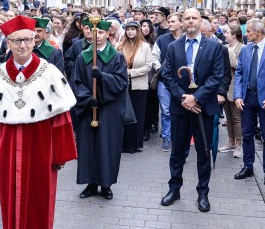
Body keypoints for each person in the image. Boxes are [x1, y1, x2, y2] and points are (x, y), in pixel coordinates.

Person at [0, 15, 77, 229]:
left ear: (35, 40)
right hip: (9, 149)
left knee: (40, 201)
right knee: (9, 201)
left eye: (28, 40)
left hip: (41, 147)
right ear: (8, 43)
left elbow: (61, 116)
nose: (23, 45)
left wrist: (61, 153)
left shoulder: (50, 73)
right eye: (17, 41)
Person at [160, 8, 225, 212]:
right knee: (177, 151)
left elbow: (217, 76)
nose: (190, 21)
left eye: (194, 18)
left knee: (203, 152)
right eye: (186, 18)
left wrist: (196, 98)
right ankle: (174, 189)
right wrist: (183, 98)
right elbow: (167, 75)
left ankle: (203, 193)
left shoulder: (214, 47)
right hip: (180, 108)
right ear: (182, 21)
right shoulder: (173, 47)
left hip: (203, 108)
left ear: (200, 21)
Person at [71, 19, 126, 201]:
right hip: (89, 109)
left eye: (101, 33)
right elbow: (76, 82)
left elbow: (121, 82)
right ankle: (90, 183)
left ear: (107, 35)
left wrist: (103, 78)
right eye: (94, 33)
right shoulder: (83, 57)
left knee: (107, 146)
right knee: (88, 146)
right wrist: (88, 99)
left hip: (109, 109)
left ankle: (106, 185)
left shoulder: (116, 57)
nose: (97, 36)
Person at [232, 19, 265, 187]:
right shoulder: (246, 50)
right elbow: (239, 73)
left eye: (248, 31)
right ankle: (248, 167)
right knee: (247, 134)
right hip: (247, 98)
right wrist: (238, 95)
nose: (246, 34)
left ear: (259, 32)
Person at [118, 21, 152, 153]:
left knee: (137, 115)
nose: (130, 32)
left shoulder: (145, 46)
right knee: (125, 114)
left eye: (133, 29)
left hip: (139, 86)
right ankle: (124, 144)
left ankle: (135, 144)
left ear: (137, 31)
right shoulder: (120, 47)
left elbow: (148, 66)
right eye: (128, 29)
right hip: (124, 85)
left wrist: (131, 73)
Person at [152, 12, 182, 152]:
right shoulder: (162, 39)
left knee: (181, 110)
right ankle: (166, 137)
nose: (169, 24)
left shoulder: (186, 39)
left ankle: (179, 137)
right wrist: (160, 69)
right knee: (165, 111)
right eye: (168, 22)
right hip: (164, 82)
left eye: (173, 22)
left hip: (182, 83)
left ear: (181, 23)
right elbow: (154, 57)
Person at [220, 24, 244, 158]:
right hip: (225, 87)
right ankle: (230, 142)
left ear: (234, 35)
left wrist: (230, 55)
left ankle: (238, 145)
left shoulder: (242, 48)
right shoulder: (226, 48)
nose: (225, 35)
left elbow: (239, 67)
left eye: (227, 33)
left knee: (237, 118)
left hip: (236, 87)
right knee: (228, 118)